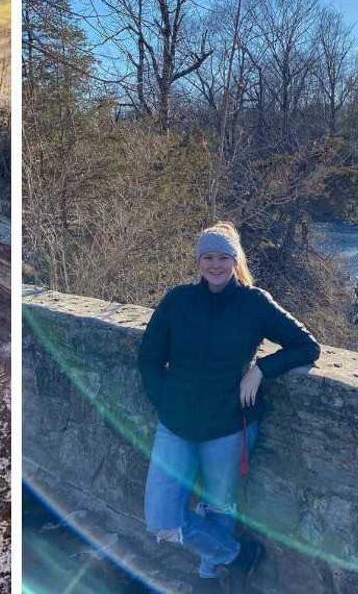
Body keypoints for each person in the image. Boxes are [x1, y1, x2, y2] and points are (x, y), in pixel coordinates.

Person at [137, 222, 320, 589]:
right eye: (208, 257)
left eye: (223, 257)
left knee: (219, 505)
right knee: (161, 518)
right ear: (199, 261)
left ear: (235, 261)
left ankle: (209, 573)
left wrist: (261, 370)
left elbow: (306, 346)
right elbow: (148, 357)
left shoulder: (254, 303)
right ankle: (236, 555)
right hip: (176, 424)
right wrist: (165, 400)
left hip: (228, 425)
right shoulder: (178, 300)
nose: (216, 265)